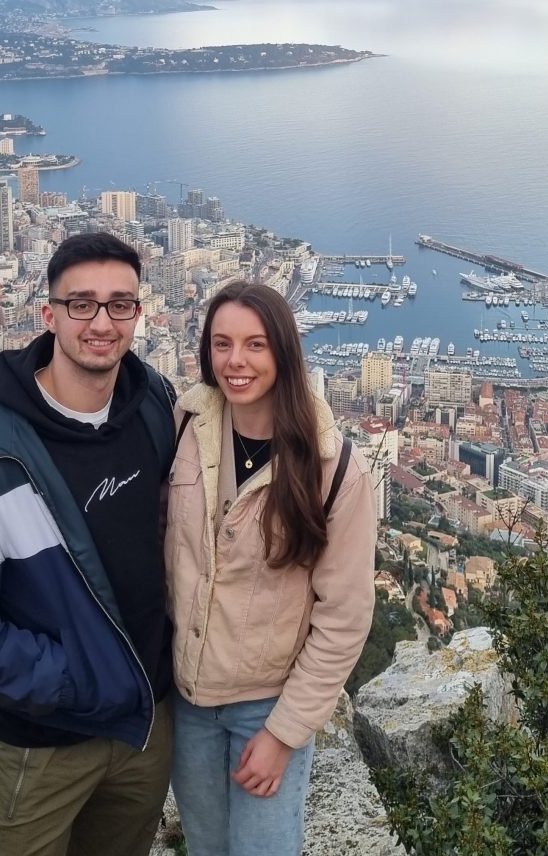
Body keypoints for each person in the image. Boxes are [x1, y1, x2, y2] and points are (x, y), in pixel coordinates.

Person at [0, 232, 176, 856]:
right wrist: (66, 682)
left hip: (146, 727)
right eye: (82, 304)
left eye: (120, 304)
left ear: (140, 313)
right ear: (48, 314)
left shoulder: (153, 405)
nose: (101, 322)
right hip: (42, 743)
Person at [165, 280, 377, 856]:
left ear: (284, 352)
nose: (236, 361)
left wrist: (284, 733)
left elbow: (346, 616)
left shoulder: (333, 468)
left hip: (266, 705)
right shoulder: (184, 426)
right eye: (222, 343)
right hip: (186, 700)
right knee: (206, 848)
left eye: (255, 345)